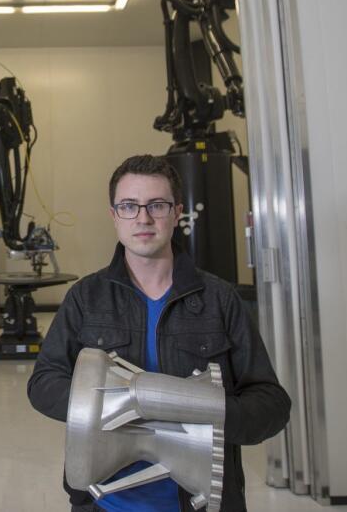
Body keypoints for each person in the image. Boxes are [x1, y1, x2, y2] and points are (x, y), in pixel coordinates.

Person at [28, 154, 291, 512]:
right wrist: (123, 406)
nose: (143, 218)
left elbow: (271, 404)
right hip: (104, 503)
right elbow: (43, 383)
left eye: (157, 205)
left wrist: (200, 415)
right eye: (129, 206)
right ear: (114, 216)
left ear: (177, 212)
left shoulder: (219, 299)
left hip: (201, 504)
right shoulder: (86, 297)